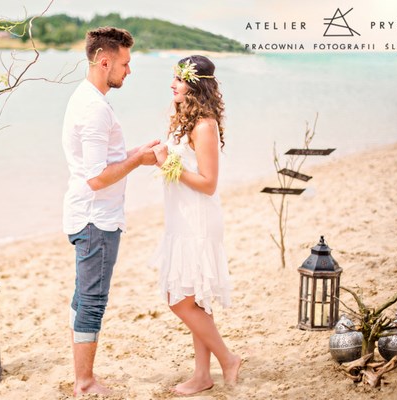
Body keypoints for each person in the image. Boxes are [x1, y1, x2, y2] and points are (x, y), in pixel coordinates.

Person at [62, 26, 159, 396]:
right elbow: (96, 178)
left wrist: (136, 155)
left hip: (89, 214)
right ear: (105, 61)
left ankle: (81, 375)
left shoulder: (88, 98)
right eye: (125, 63)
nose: (128, 71)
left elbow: (102, 162)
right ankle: (85, 382)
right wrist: (137, 162)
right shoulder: (94, 109)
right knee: (92, 300)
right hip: (95, 218)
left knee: (82, 297)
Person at [150, 55, 242, 395]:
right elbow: (179, 161)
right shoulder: (184, 120)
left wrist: (167, 166)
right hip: (181, 218)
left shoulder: (204, 125)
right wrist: (161, 154)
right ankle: (202, 375)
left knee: (180, 300)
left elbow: (208, 183)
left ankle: (228, 358)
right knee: (197, 301)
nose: (172, 84)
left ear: (195, 83)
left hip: (198, 221)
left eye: (179, 79)